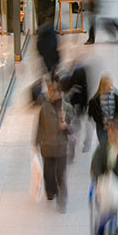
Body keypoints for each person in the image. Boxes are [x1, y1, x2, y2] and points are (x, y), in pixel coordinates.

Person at [35, 79, 74, 213]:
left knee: (60, 175)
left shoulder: (67, 108)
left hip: (61, 147)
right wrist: (36, 142)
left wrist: (66, 126)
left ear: (60, 93)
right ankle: (50, 192)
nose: (52, 94)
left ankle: (62, 201)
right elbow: (40, 127)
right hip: (47, 147)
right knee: (48, 174)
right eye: (50, 91)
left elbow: (74, 125)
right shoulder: (44, 108)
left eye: (54, 92)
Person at [88, 75, 118, 142]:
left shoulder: (117, 97)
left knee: (114, 147)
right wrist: (102, 121)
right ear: (102, 86)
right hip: (102, 126)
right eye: (108, 85)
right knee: (104, 145)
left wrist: (115, 122)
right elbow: (91, 113)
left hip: (114, 126)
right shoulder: (95, 100)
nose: (110, 87)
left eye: (111, 84)